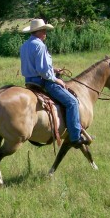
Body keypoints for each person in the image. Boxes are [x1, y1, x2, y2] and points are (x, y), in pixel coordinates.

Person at [20, 19, 89, 148]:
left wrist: (53, 69)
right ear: (38, 31)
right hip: (43, 82)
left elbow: (36, 66)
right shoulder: (39, 45)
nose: (46, 33)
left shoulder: (25, 45)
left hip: (29, 81)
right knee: (72, 102)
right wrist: (57, 79)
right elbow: (42, 71)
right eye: (44, 30)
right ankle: (75, 137)